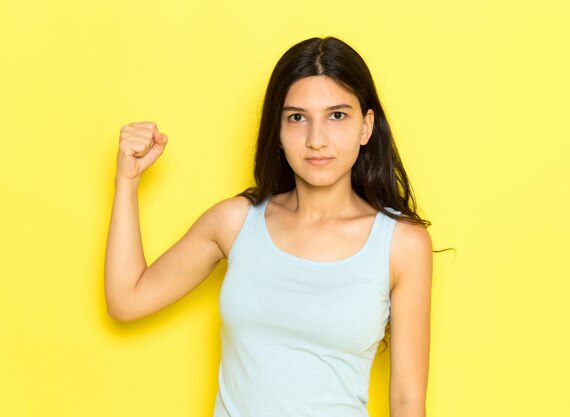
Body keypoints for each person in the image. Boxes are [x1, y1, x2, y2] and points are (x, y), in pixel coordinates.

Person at [105, 36, 433, 417]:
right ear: (276, 130)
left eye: (337, 115)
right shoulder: (235, 222)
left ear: (366, 126)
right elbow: (126, 300)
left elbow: (408, 402)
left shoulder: (401, 244)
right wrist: (126, 181)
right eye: (297, 117)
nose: (316, 140)